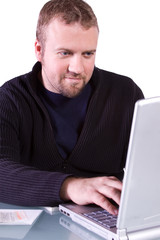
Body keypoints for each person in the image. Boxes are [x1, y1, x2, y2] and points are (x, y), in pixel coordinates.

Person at [0, 0, 143, 215]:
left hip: (107, 223)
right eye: (65, 53)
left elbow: (148, 169)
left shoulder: (125, 93)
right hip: (33, 228)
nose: (77, 68)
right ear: (39, 50)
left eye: (88, 54)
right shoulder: (10, 99)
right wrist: (69, 186)